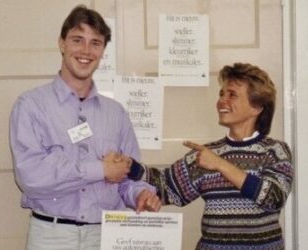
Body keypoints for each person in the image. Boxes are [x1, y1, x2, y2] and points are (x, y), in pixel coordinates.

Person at [9, 5, 160, 250]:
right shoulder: (30, 106)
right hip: (51, 236)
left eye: (95, 43)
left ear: (103, 51)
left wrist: (140, 195)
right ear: (62, 43)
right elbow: (31, 176)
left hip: (107, 236)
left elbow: (128, 176)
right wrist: (101, 169)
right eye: (77, 40)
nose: (86, 51)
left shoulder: (117, 114)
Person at [112, 62, 293, 249]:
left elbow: (274, 198)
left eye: (232, 95)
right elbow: (167, 187)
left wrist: (221, 165)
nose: (222, 100)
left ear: (257, 107)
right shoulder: (205, 154)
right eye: (221, 94)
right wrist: (130, 166)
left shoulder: (275, 151)